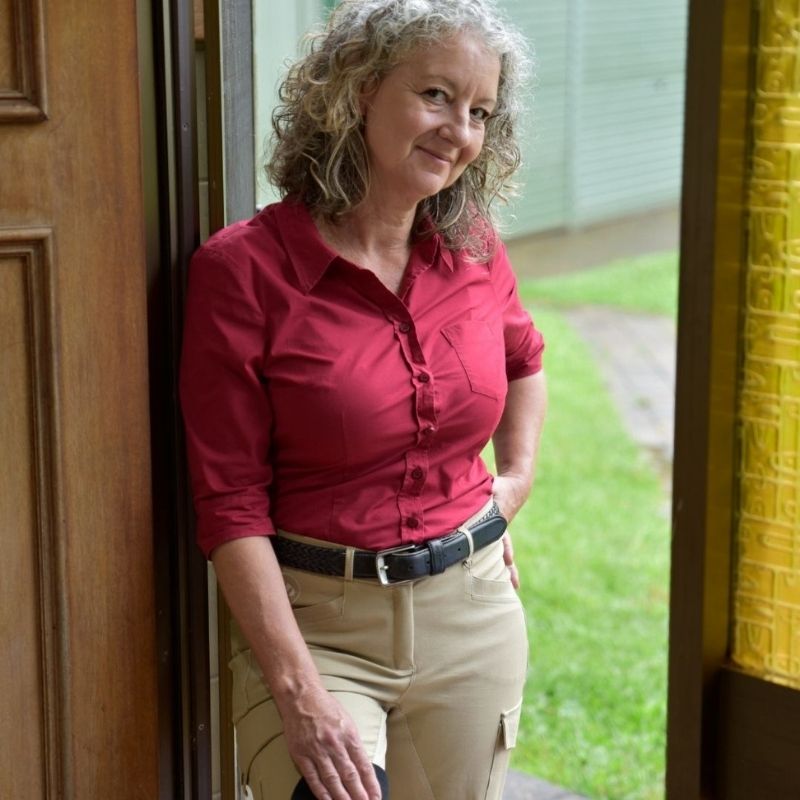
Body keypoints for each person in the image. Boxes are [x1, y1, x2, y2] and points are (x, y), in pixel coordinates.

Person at [180, 1, 547, 798]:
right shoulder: (242, 271)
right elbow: (229, 503)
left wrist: (510, 489)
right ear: (355, 94)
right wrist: (298, 690)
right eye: (437, 96)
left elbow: (525, 360)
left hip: (471, 619)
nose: (460, 130)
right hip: (319, 629)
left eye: (480, 111)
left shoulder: (473, 246)